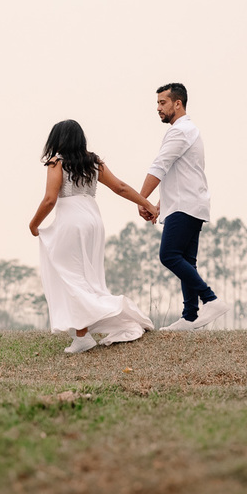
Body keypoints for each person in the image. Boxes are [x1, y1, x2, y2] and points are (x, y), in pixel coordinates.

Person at [29, 120, 157, 353]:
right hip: (94, 222)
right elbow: (120, 187)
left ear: (57, 139)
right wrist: (147, 203)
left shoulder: (56, 162)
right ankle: (85, 330)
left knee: (72, 277)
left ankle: (83, 336)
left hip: (71, 223)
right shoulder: (94, 162)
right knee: (87, 277)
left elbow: (50, 199)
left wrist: (34, 224)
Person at [138, 83, 228, 331]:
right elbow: (180, 175)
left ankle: (211, 299)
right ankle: (189, 316)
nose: (158, 108)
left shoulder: (180, 131)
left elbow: (160, 166)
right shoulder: (189, 131)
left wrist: (141, 199)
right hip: (189, 203)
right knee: (187, 260)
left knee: (169, 255)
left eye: (162, 103)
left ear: (178, 103)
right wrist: (157, 204)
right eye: (157, 103)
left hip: (185, 206)